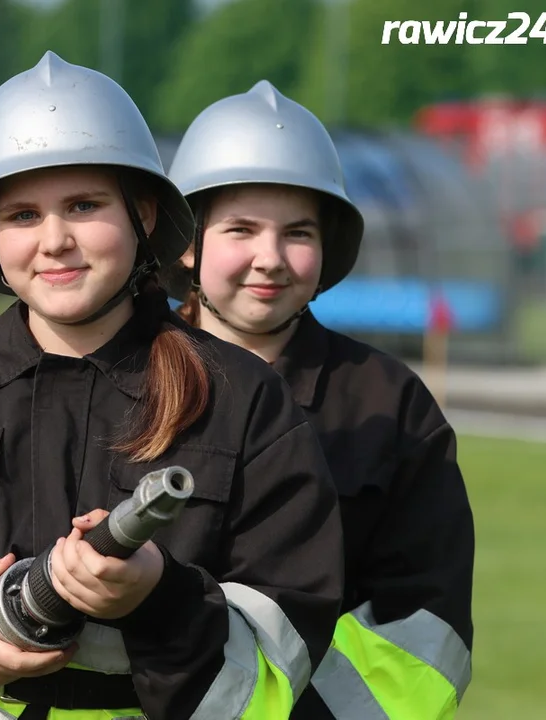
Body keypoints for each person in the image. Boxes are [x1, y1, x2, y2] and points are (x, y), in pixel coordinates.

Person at [0, 53, 345, 720]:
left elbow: (286, 648)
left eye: (84, 205)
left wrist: (155, 598)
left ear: (146, 216)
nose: (55, 240)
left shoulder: (245, 399)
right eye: (22, 215)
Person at [163, 80, 475, 719]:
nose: (270, 258)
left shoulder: (390, 404)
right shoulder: (118, 378)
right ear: (189, 243)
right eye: (241, 229)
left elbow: (425, 627)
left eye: (298, 233)